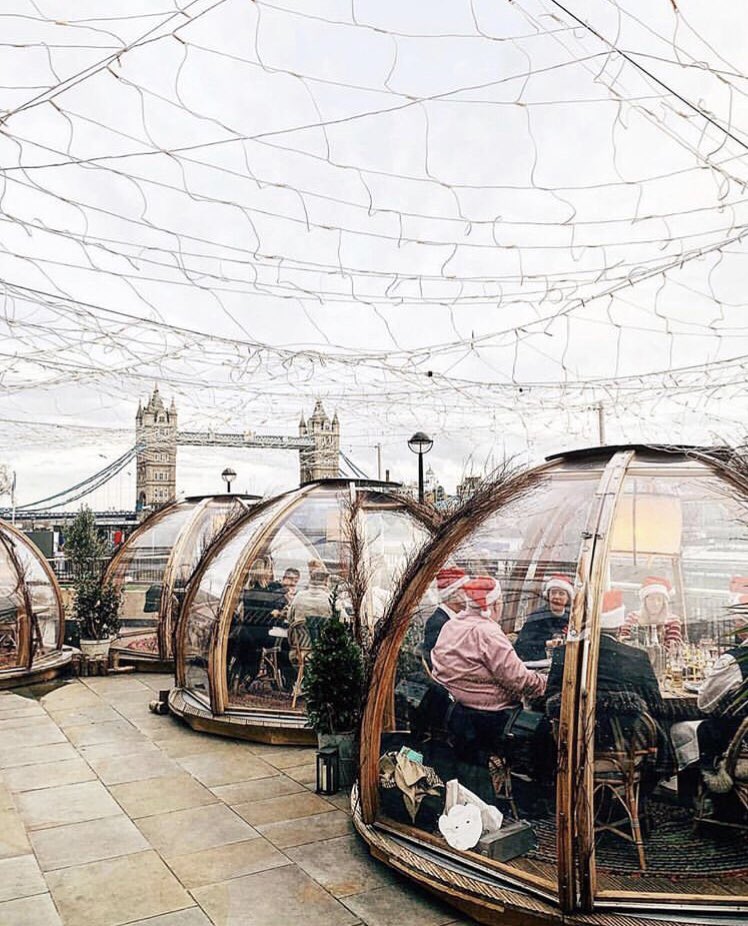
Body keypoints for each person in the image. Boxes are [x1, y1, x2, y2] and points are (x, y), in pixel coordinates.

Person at [545, 589, 671, 786]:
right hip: (627, 752)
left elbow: (550, 700)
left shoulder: (564, 654)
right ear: (620, 627)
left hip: (573, 748)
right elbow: (656, 706)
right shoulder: (637, 657)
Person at [432, 576, 547, 753]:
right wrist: (547, 682)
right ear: (496, 604)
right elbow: (520, 680)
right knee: (544, 730)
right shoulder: (488, 633)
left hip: (454, 712)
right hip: (488, 718)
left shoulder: (451, 625)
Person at [514, 574, 573, 662]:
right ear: (548, 596)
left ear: (568, 598)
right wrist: (546, 644)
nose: (556, 597)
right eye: (553, 593)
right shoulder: (537, 618)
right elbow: (521, 647)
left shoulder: (572, 618)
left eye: (561, 593)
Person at [422, 566, 468, 670]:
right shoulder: (438, 623)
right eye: (465, 589)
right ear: (453, 594)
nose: (469, 593)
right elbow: (435, 664)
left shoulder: (457, 617)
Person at [619, 576, 683, 647]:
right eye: (651, 599)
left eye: (659, 599)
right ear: (645, 601)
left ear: (664, 602)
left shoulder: (673, 621)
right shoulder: (632, 617)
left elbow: (672, 647)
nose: (655, 603)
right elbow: (623, 642)